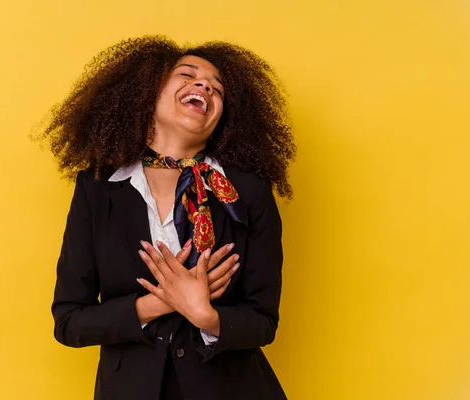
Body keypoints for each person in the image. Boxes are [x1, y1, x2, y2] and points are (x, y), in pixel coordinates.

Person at [41, 35, 296, 400]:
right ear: (146, 92)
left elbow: (262, 321)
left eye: (217, 89)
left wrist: (206, 316)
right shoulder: (97, 188)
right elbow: (69, 323)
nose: (205, 85)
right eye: (186, 75)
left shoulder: (247, 193)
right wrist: (165, 300)